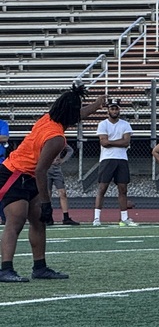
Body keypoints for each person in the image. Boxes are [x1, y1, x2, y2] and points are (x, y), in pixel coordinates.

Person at [0, 84, 103, 282]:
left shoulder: (48, 118)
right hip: (15, 173)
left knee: (38, 221)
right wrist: (47, 203)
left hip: (26, 174)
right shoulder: (57, 138)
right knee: (16, 221)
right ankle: (5, 268)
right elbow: (41, 170)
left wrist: (97, 105)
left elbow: (77, 113)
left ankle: (40, 267)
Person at [92, 98, 137, 227]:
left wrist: (111, 142)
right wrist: (119, 142)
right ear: (108, 110)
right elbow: (104, 143)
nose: (114, 110)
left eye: (116, 108)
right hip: (107, 159)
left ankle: (124, 217)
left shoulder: (125, 124)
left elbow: (126, 142)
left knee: (123, 189)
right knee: (102, 188)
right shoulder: (103, 124)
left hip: (122, 159)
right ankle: (96, 218)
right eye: (112, 108)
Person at [42, 144, 79, 226]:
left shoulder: (59, 140)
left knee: (62, 192)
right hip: (46, 170)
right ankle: (48, 217)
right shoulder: (44, 141)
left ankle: (66, 217)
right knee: (47, 194)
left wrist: (63, 160)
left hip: (57, 170)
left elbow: (70, 150)